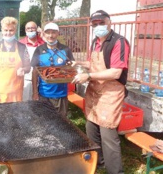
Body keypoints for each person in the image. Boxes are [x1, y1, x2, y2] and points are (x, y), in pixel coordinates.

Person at [71, 10, 130, 174]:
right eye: (95, 24)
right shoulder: (95, 42)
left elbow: (116, 72)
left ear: (109, 22)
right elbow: (92, 63)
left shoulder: (119, 42)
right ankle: (99, 161)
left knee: (108, 134)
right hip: (94, 91)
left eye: (101, 23)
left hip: (110, 93)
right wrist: (78, 62)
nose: (98, 26)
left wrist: (88, 76)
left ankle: (115, 171)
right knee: (91, 128)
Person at [31, 22, 74, 118]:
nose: (51, 35)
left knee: (61, 122)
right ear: (44, 34)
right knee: (44, 121)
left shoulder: (65, 49)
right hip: (44, 94)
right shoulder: (39, 50)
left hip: (61, 95)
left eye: (53, 32)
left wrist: (70, 67)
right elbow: (35, 72)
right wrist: (35, 92)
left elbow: (71, 68)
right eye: (48, 32)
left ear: (58, 33)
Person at [0, 17, 31, 103]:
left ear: (15, 31)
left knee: (15, 116)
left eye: (11, 30)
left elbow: (28, 67)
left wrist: (23, 69)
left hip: (16, 93)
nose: (8, 33)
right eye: (5, 30)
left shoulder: (22, 47)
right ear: (2, 31)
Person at [19, 21, 44, 101]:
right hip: (25, 79)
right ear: (25, 30)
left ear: (37, 29)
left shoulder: (43, 43)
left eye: (33, 28)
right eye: (28, 28)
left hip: (40, 80)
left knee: (38, 106)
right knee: (25, 105)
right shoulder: (20, 43)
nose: (30, 30)